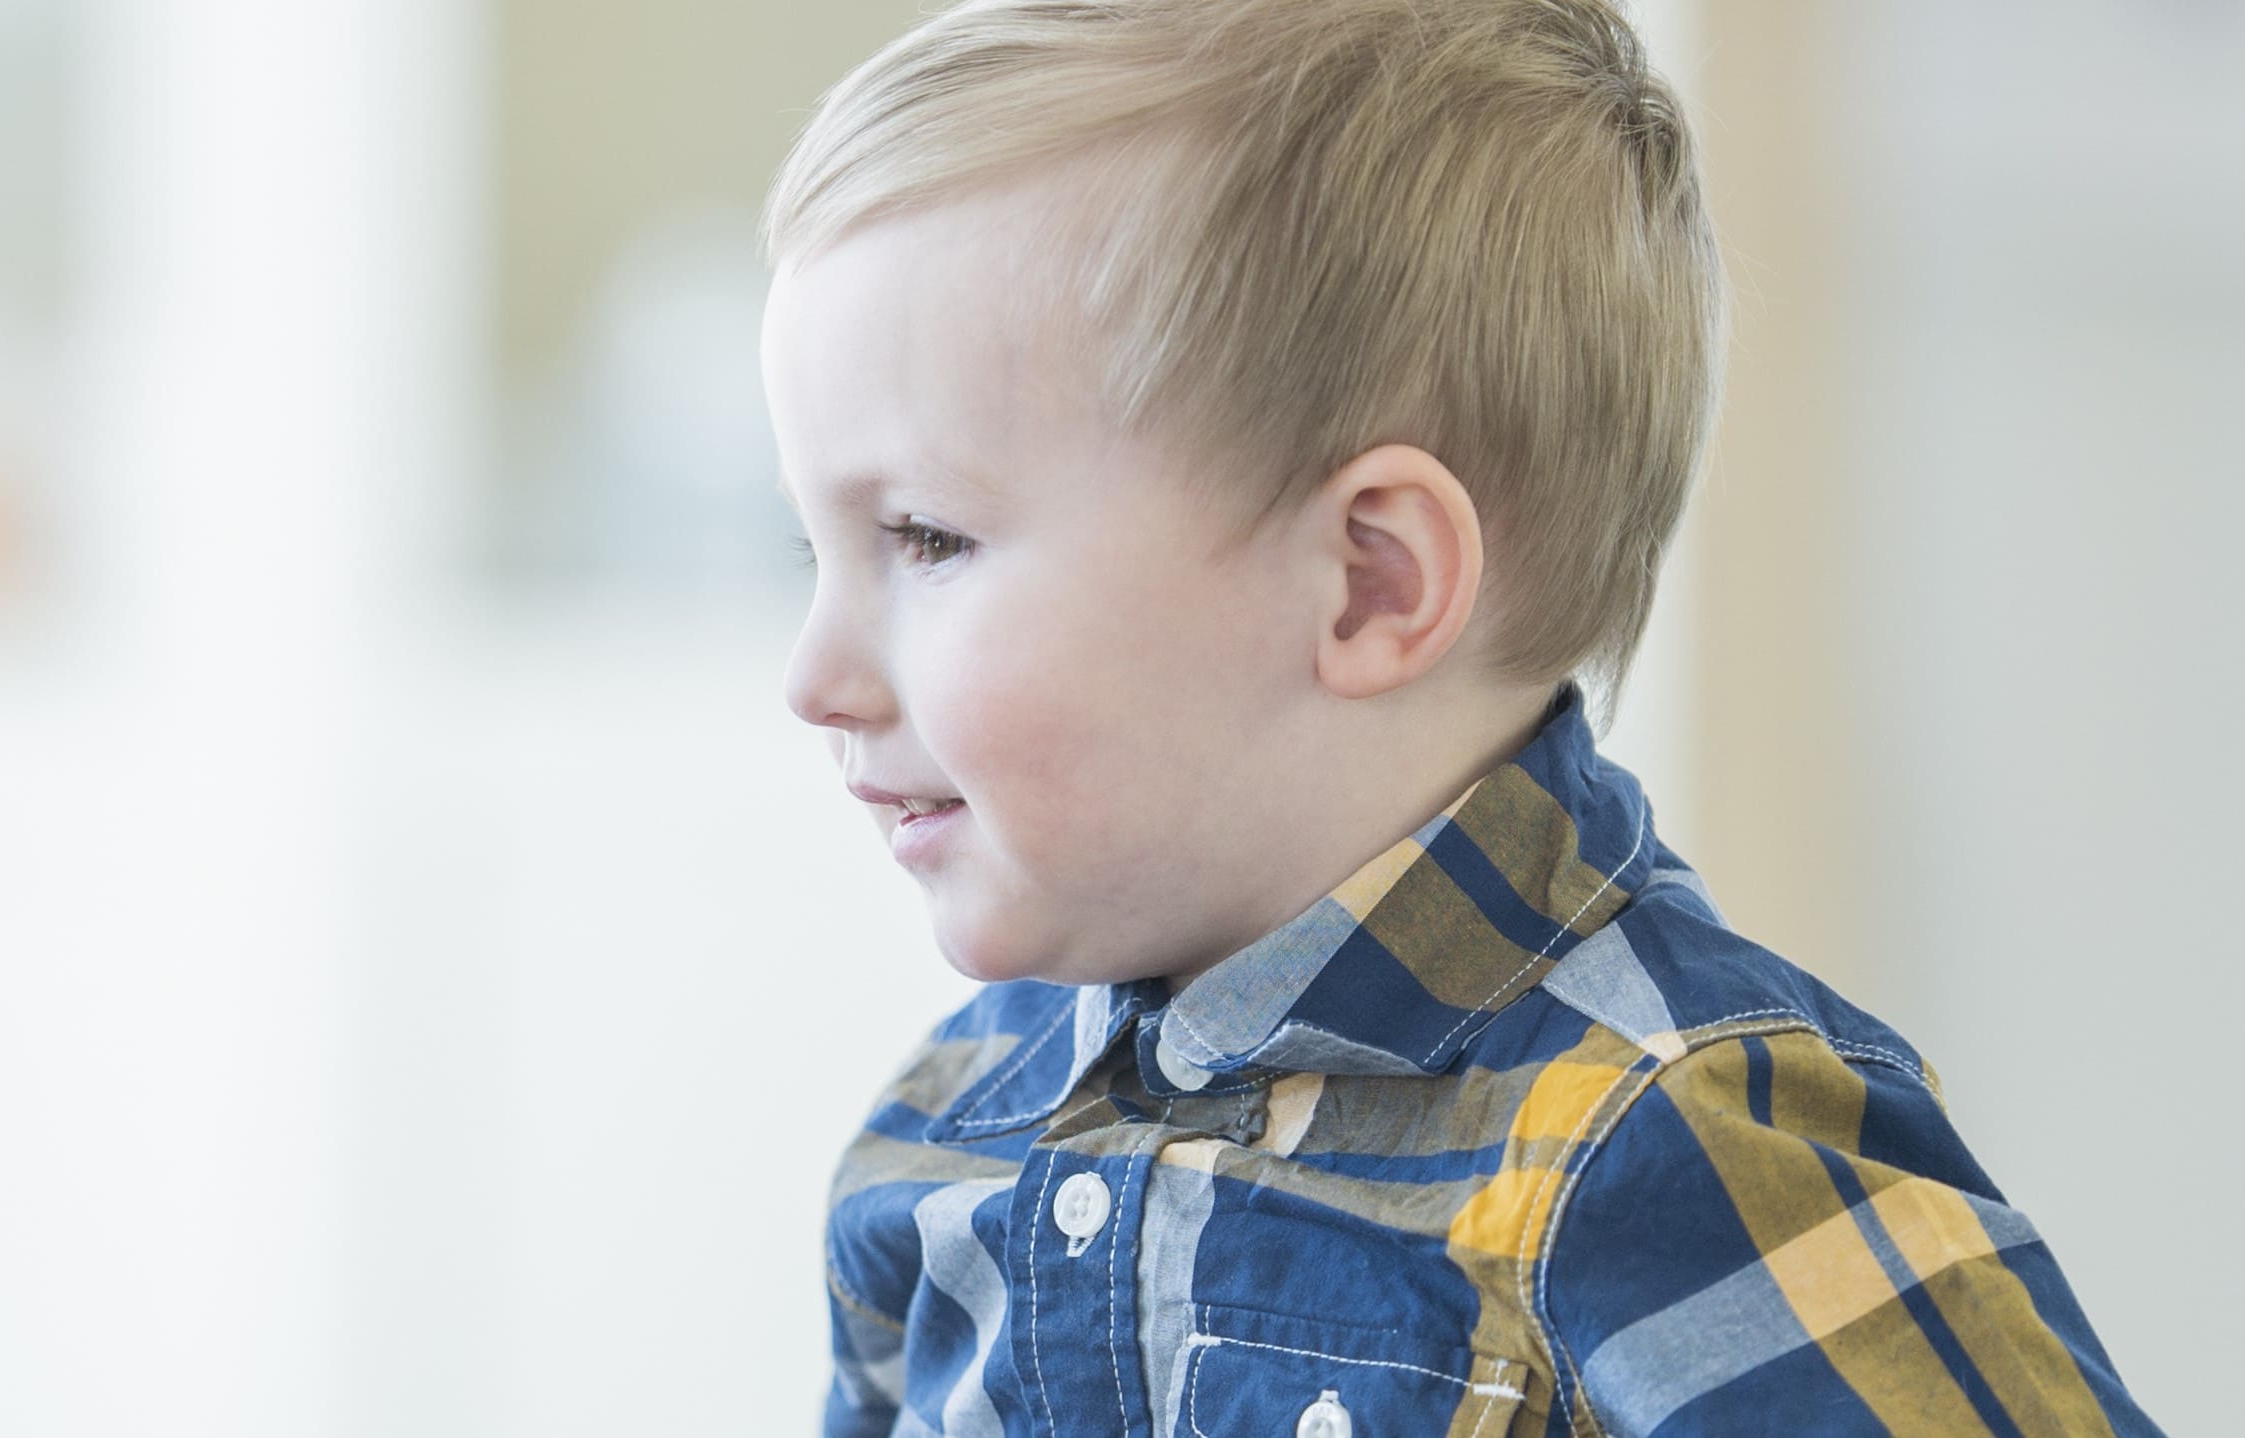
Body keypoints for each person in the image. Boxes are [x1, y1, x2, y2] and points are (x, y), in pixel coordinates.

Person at [758, 1, 2152, 1433]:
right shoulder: (938, 1134)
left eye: (927, 539)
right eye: (816, 549)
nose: (814, 675)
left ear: (1371, 581)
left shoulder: (1674, 1143)